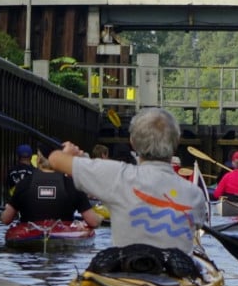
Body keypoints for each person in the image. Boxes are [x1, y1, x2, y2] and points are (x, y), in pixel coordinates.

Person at [45, 108, 207, 253]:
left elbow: (54, 159)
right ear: (176, 143)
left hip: (127, 274)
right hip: (177, 277)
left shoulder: (116, 175)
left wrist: (70, 152)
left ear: (133, 143)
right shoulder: (195, 194)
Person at [0, 163, 102, 229]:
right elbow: (93, 222)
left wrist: (7, 209)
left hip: (29, 239)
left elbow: (6, 219)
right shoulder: (73, 185)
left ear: (38, 160)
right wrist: (100, 218)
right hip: (63, 241)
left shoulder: (24, 184)